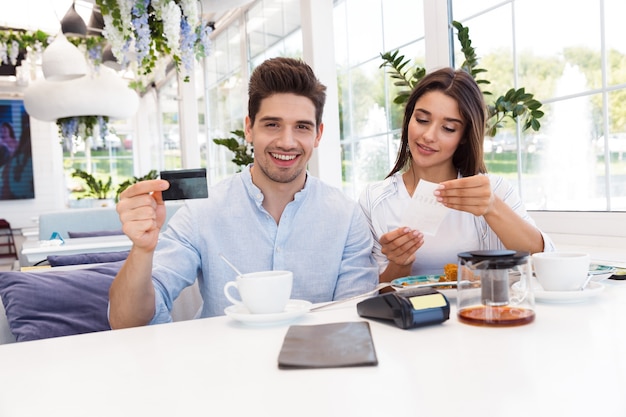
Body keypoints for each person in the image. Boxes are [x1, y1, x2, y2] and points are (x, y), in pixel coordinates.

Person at [109, 57, 379, 329]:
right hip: (223, 366)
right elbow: (125, 322)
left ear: (318, 134)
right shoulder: (202, 212)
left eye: (302, 127)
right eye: (272, 124)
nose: (287, 141)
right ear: (249, 128)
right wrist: (142, 250)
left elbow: (351, 321)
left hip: (317, 364)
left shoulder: (347, 217)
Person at [359, 67, 554, 282]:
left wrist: (492, 207)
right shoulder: (376, 200)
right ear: (409, 119)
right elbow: (374, 292)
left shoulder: (493, 190)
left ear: (464, 136)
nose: (429, 136)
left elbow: (547, 261)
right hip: (416, 314)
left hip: (481, 312)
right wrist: (399, 264)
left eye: (449, 128)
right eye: (422, 120)